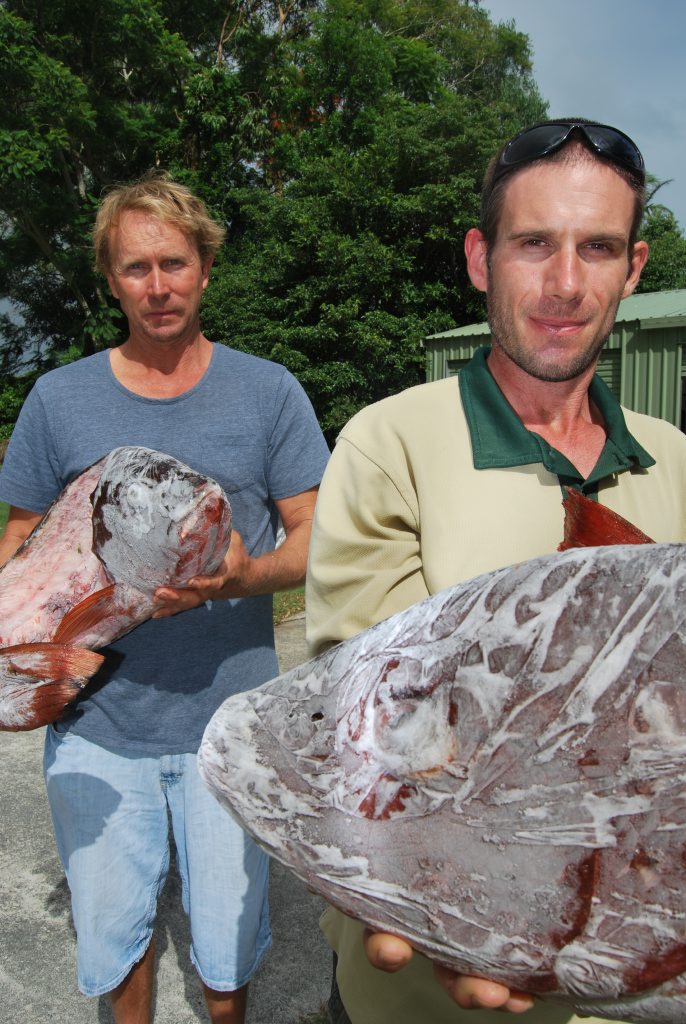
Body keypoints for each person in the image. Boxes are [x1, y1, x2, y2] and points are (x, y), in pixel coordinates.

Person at [305, 119, 686, 1024]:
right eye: (533, 244)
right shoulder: (391, 442)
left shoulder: (675, 459)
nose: (564, 284)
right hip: (434, 989)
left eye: (596, 249)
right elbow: (380, 739)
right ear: (481, 259)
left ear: (632, 271)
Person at [0, 173, 329, 1024]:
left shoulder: (268, 392)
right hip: (96, 724)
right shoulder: (58, 400)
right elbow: (22, 540)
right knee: (119, 946)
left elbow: (316, 537)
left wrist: (243, 578)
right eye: (136, 267)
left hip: (231, 722)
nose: (158, 286)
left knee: (225, 955)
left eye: (174, 264)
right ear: (110, 279)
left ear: (206, 268)